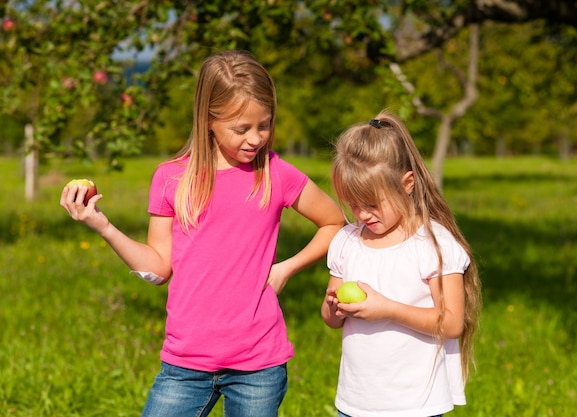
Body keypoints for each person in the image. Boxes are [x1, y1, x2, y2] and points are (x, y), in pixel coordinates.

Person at [60, 50, 345, 417]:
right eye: (241, 129)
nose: (256, 138)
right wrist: (101, 225)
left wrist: (284, 269)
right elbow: (158, 268)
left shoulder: (275, 173)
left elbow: (334, 221)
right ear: (208, 119)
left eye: (264, 125)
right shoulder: (170, 178)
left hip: (258, 364)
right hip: (184, 365)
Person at [321, 111, 481, 417]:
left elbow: (451, 323)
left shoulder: (433, 245)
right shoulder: (347, 241)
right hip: (355, 403)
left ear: (406, 183)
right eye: (353, 204)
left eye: (371, 204)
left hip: (415, 405)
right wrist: (333, 308)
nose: (362, 215)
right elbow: (331, 319)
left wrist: (388, 310)